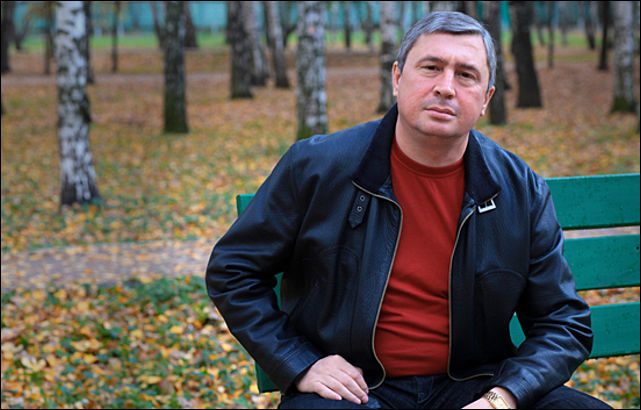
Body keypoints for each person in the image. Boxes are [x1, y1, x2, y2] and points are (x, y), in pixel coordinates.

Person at [206, 11, 611, 409]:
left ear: (486, 98)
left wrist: (501, 399)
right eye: (431, 68)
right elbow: (233, 270)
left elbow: (563, 322)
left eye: (466, 75)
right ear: (398, 78)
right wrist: (301, 362)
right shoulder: (316, 167)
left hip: (475, 387)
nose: (446, 87)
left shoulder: (520, 189)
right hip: (354, 390)